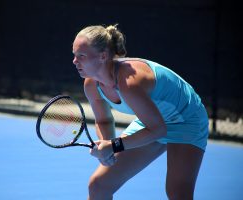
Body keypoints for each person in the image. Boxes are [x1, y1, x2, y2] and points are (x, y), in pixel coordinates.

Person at [72, 24, 209, 200]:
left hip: (186, 119)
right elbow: (104, 120)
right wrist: (108, 148)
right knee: (99, 186)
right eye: (74, 55)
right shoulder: (91, 85)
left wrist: (114, 145)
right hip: (151, 121)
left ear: (103, 56)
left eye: (81, 56)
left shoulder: (129, 84)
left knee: (178, 194)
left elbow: (158, 130)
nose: (75, 61)